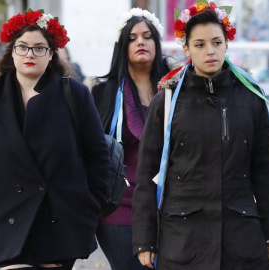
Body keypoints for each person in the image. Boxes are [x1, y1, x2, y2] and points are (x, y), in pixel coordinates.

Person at [0, 9, 110, 270]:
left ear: (51, 54)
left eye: (39, 48)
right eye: (23, 47)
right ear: (11, 51)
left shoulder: (74, 94)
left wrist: (89, 207)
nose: (30, 54)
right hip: (0, 223)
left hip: (57, 224)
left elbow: (96, 156)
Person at [132, 2, 269, 269]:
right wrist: (145, 240)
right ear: (186, 49)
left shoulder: (250, 97)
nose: (210, 51)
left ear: (226, 45)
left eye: (216, 42)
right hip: (182, 241)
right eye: (199, 44)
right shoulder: (167, 99)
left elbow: (265, 170)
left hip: (241, 240)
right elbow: (147, 174)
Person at [87, 8, 179, 270]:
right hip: (120, 209)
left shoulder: (179, 90)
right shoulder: (101, 92)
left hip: (171, 207)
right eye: (133, 37)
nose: (141, 42)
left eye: (147, 36)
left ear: (157, 43)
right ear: (122, 45)